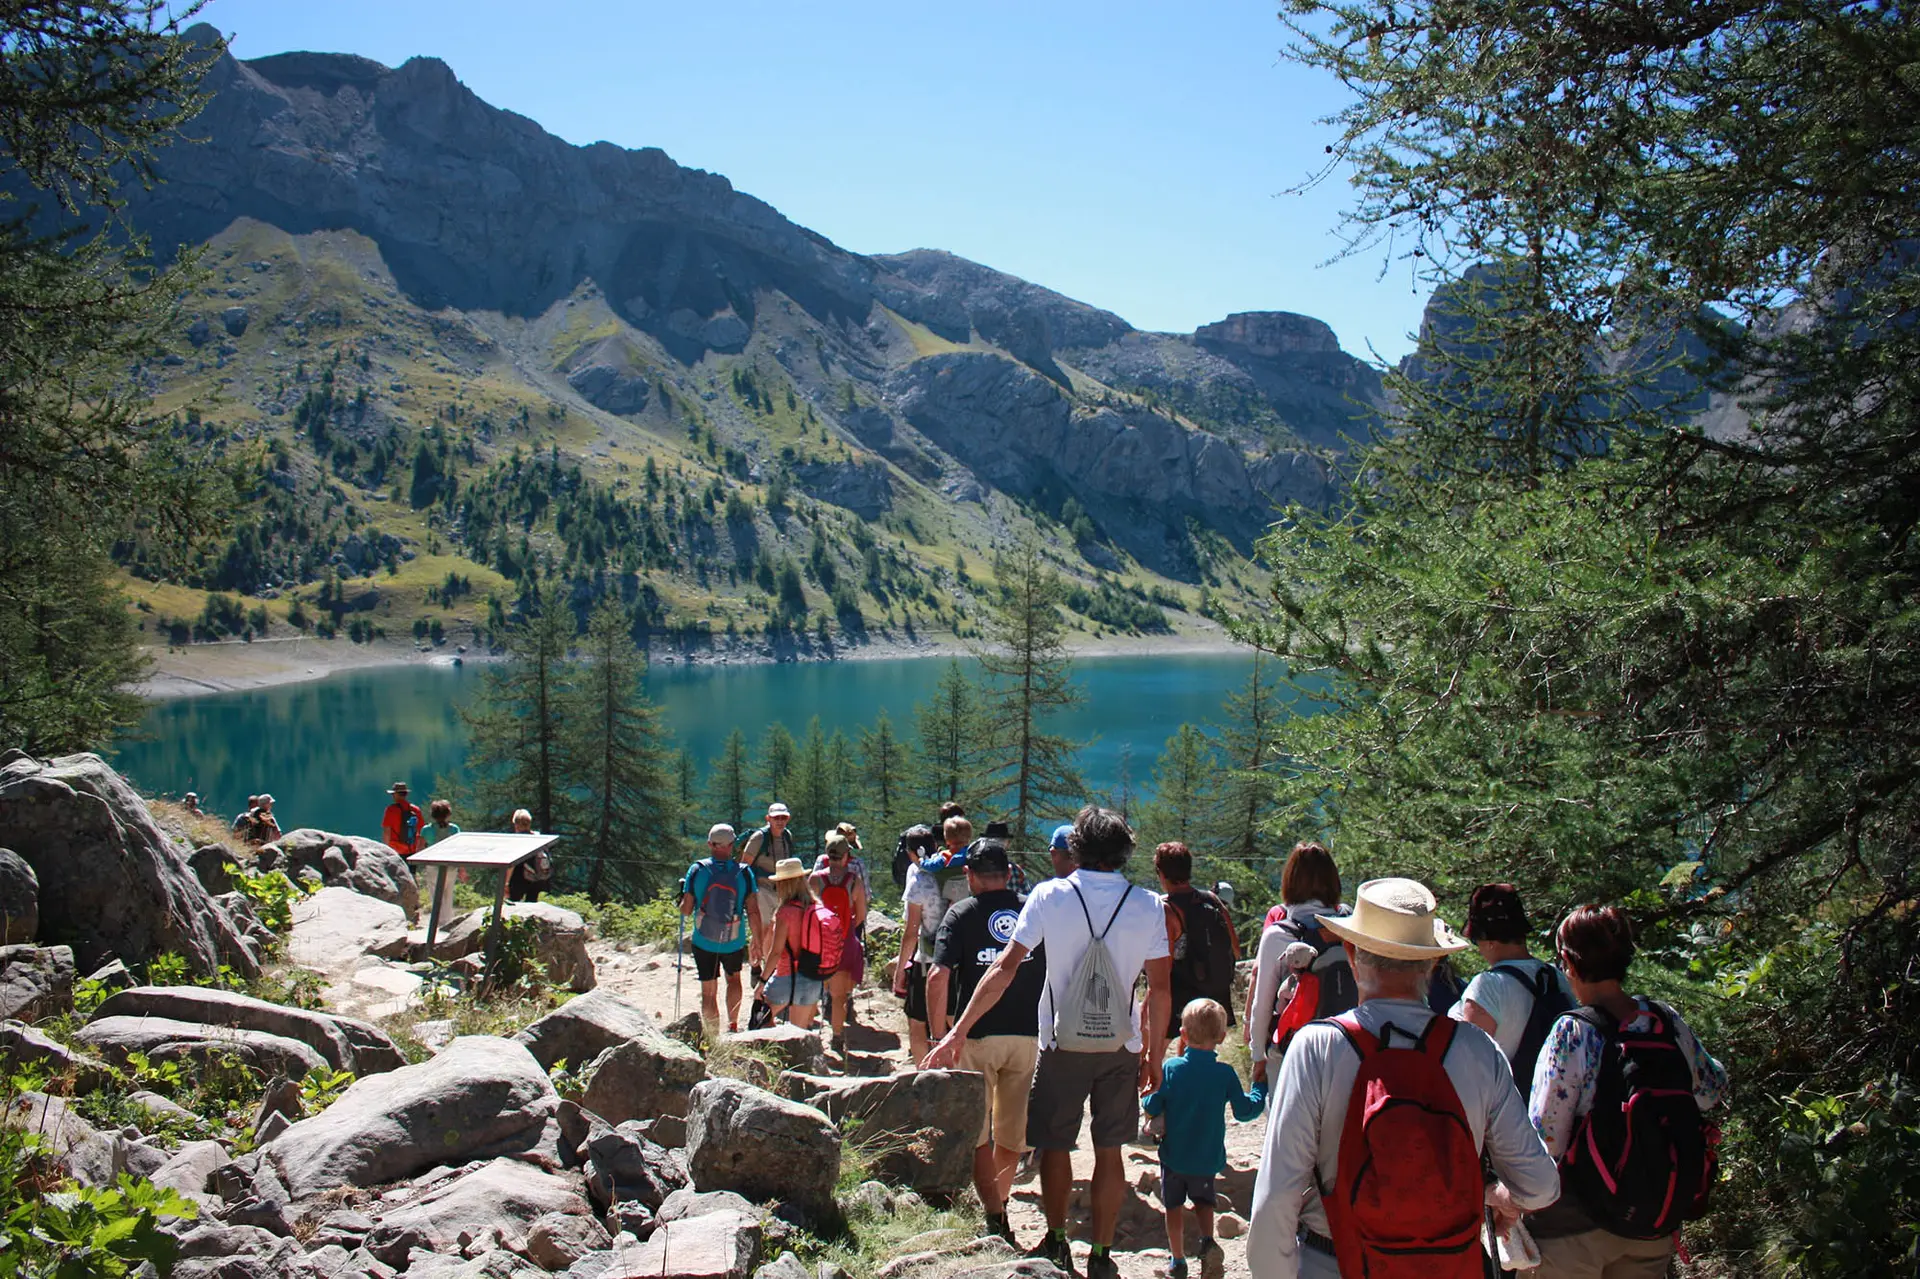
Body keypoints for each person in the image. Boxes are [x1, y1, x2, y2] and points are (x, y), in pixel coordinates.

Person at [1247, 877, 1560, 1279]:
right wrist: (1494, 1194)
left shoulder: (1317, 1048)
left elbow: (1275, 1200)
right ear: (1431, 963)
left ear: (1351, 952)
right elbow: (1539, 1185)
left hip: (1336, 1261)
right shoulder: (1477, 1050)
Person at [926, 805, 1173, 1279]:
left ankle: (1057, 1240)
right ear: (1123, 851)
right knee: (1110, 1151)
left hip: (1061, 1046)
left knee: (1055, 1146)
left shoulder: (1050, 897)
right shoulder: (1147, 905)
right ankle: (1102, 1255)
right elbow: (1160, 990)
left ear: (1077, 847)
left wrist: (958, 1031)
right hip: (1120, 1047)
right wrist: (1153, 1055)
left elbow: (1005, 968)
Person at [1527, 904, 1728, 1277]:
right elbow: (1711, 1089)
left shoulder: (1572, 1032)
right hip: (1651, 1221)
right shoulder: (1663, 1020)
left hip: (1574, 1226)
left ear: (1569, 963)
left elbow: (1547, 1138)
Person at [926, 840, 1047, 1246]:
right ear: (1009, 870)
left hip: (976, 1035)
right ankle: (999, 1207)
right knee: (1012, 1136)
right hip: (1028, 1035)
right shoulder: (1033, 909)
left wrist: (938, 1037)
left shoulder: (961, 913)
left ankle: (993, 1214)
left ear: (970, 875)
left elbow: (938, 976)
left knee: (979, 1135)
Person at [1143, 998, 1267, 1279]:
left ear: (1183, 1035)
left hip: (1174, 1156)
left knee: (1172, 1206)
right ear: (1222, 1037)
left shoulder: (1171, 1069)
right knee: (1204, 1201)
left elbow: (1152, 1105)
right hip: (1207, 1157)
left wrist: (1149, 1102)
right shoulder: (1224, 1073)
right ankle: (1208, 1242)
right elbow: (1246, 1112)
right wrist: (1260, 1087)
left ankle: (1177, 1261)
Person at [1449, 882, 1573, 1098]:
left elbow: (1469, 1066)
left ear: (1488, 941)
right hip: (1549, 1109)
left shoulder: (1487, 986)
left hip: (1504, 1116)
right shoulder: (1556, 978)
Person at [1246, 842, 1353, 1084]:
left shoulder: (1278, 935)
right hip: (1346, 1045)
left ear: (1289, 881)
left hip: (1292, 1050)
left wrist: (1258, 1055)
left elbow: (1262, 1003)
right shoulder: (1351, 928)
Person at [894, 814, 976, 1064]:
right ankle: (960, 1070)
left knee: (919, 1021)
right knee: (957, 1019)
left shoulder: (921, 878)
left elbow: (911, 932)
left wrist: (900, 970)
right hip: (963, 958)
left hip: (928, 959)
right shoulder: (971, 870)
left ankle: (924, 1072)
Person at [680, 823, 764, 1032]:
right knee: (734, 979)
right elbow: (753, 910)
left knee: (708, 990)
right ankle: (733, 1025)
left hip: (703, 939)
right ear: (732, 844)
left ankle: (712, 1035)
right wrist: (757, 940)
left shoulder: (697, 869)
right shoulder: (744, 873)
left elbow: (686, 910)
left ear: (710, 844)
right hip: (733, 939)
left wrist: (680, 899)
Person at [1156, 843, 1241, 1034]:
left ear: (1161, 873)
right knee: (1199, 1043)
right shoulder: (1212, 898)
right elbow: (1235, 948)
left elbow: (1162, 965)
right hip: (1214, 990)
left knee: (1162, 1042)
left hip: (1181, 991)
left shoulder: (1166, 908)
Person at [810, 829, 869, 1049]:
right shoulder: (853, 881)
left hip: (818, 944)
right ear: (846, 856)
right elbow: (861, 914)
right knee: (838, 997)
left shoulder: (815, 879)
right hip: (842, 943)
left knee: (812, 992)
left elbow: (809, 911)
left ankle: (807, 1037)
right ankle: (836, 1036)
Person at [755, 858, 829, 1029]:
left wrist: (762, 980)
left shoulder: (785, 912)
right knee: (798, 1033)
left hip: (786, 977)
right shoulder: (817, 907)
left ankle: (772, 1052)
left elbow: (775, 952)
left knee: (760, 1022)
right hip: (812, 979)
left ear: (784, 885)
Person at [740, 802, 795, 944]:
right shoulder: (759, 838)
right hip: (761, 889)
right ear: (768, 819)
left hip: (781, 890)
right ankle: (757, 963)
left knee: (775, 928)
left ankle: (764, 962)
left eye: (783, 818)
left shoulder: (787, 837)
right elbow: (744, 865)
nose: (780, 821)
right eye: (776, 818)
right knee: (764, 927)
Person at [416, 798, 461, 924]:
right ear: (448, 814)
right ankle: (447, 921)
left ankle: (437, 921)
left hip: (433, 866)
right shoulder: (454, 829)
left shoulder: (426, 830)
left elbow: (419, 849)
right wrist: (462, 869)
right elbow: (460, 850)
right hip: (451, 866)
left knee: (435, 895)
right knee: (448, 894)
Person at [506, 808, 549, 902]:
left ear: (516, 824)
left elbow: (511, 865)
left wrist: (506, 883)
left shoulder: (516, 840)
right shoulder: (538, 837)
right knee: (532, 905)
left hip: (520, 878)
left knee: (513, 903)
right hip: (538, 878)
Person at [382, 783, 425, 858]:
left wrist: (385, 851)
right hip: (411, 850)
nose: (392, 796)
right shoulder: (416, 810)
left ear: (396, 794)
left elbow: (387, 832)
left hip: (395, 850)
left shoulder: (391, 810)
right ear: (406, 794)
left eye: (393, 794)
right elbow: (421, 831)